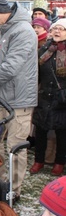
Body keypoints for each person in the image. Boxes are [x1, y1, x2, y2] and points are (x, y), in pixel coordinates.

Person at [0, 0, 38, 200]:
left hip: (18, 101)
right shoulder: (1, 29)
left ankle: (12, 190)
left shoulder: (23, 31)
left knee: (15, 147)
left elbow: (10, 67)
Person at [29, 18, 66, 176]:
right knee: (41, 131)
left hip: (62, 100)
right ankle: (39, 161)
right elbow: (35, 71)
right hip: (44, 97)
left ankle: (59, 163)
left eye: (61, 29)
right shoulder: (45, 48)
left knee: (62, 134)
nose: (57, 31)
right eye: (55, 28)